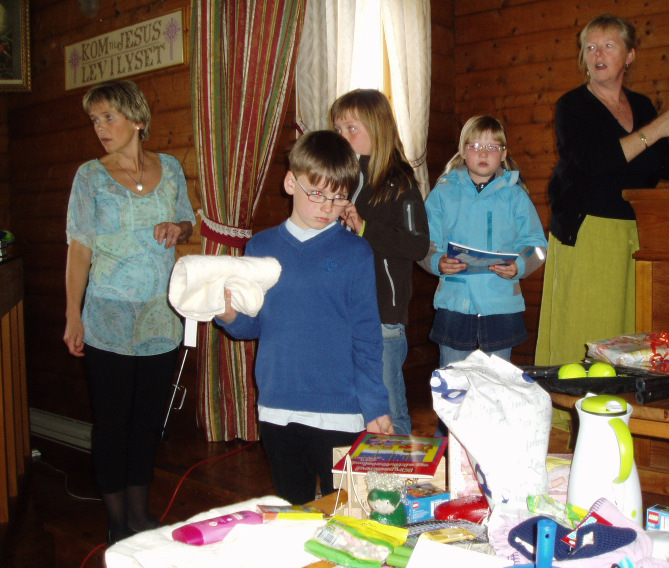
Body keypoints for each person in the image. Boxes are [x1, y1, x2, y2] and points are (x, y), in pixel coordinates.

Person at [215, 130, 393, 505]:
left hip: (341, 414)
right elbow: (253, 325)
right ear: (291, 181)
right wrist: (227, 312)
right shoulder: (260, 247)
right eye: (317, 193)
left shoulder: (356, 253)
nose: (328, 207)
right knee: (292, 508)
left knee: (346, 511)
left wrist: (375, 406)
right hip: (278, 408)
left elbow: (366, 337)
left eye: (339, 196)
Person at [63, 80, 194, 543]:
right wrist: (72, 315)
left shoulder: (172, 167)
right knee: (113, 424)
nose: (100, 127)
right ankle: (118, 521)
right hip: (107, 320)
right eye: (95, 120)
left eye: (109, 117)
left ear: (137, 118)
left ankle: (140, 515)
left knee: (147, 423)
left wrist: (177, 228)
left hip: (161, 317)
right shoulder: (89, 176)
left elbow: (187, 219)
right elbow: (79, 249)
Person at [534, 14, 669, 367]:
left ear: (629, 56)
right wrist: (656, 129)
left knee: (627, 333)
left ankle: (621, 407)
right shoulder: (572, 105)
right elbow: (594, 163)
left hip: (633, 233)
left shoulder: (641, 106)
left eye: (609, 46)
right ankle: (573, 412)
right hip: (588, 232)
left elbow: (663, 170)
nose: (598, 54)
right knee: (585, 328)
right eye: (590, 47)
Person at [330, 89, 430, 437]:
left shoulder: (400, 183)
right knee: (356, 409)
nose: (342, 137)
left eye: (350, 128)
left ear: (378, 129)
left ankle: (407, 485)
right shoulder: (340, 182)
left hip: (384, 317)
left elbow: (418, 244)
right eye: (337, 129)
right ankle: (365, 485)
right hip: (345, 312)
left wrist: (364, 228)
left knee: (388, 411)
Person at [421, 115, 548, 368]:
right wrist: (437, 262)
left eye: (492, 147)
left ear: (503, 154)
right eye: (475, 146)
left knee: (498, 386)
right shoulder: (442, 193)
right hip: (454, 304)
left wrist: (519, 266)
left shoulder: (516, 196)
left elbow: (537, 246)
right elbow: (424, 243)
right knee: (453, 385)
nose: (483, 153)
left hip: (500, 305)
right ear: (462, 152)